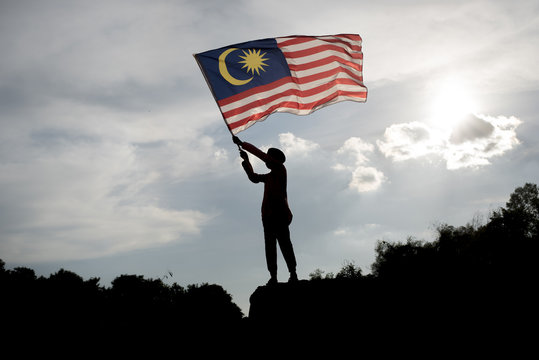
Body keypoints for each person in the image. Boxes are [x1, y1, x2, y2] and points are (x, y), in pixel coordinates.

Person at [232, 135, 298, 285]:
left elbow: (262, 157)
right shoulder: (269, 177)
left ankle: (293, 273)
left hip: (279, 214)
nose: (267, 159)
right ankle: (273, 276)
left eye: (270, 157)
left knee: (285, 244)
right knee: (270, 247)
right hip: (268, 216)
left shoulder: (281, 170)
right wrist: (246, 161)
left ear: (275, 159)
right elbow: (254, 178)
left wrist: (243, 144)